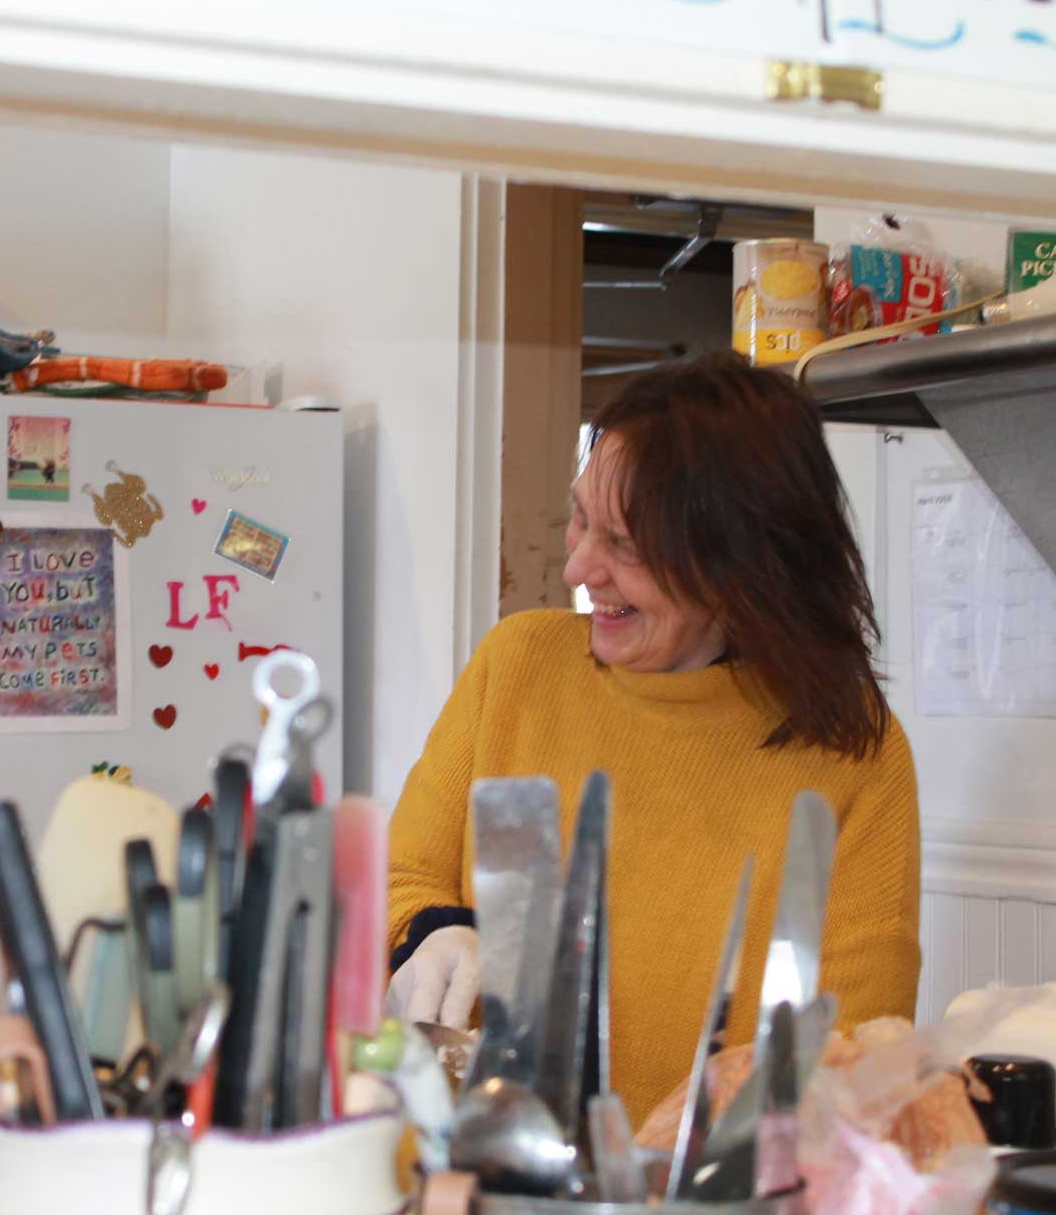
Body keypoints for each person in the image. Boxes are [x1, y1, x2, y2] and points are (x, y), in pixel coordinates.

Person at [384, 351, 919, 1126]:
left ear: (739, 561)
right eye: (580, 520)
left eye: (626, 546)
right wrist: (436, 933)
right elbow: (403, 875)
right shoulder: (519, 668)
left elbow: (850, 1052)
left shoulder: (851, 755)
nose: (578, 566)